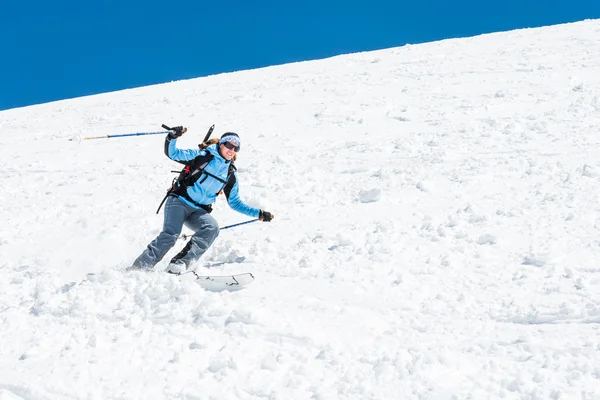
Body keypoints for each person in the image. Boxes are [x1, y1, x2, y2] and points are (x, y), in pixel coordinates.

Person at [130, 126, 274, 273]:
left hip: (199, 210)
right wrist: (172, 138)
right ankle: (140, 267)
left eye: (236, 148)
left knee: (212, 228)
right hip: (179, 201)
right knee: (171, 235)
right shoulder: (203, 156)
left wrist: (258, 213)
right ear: (221, 144)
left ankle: (178, 264)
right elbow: (173, 153)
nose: (232, 150)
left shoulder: (230, 173)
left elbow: (235, 202)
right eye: (230, 145)